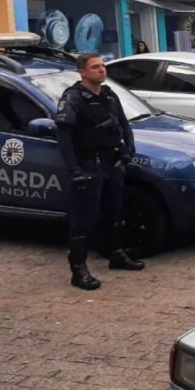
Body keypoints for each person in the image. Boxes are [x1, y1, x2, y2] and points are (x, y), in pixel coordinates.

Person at [54, 53, 144, 291]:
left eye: (103, 66)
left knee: (113, 213)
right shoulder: (73, 98)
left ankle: (116, 255)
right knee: (83, 219)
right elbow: (63, 137)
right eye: (95, 67)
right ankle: (79, 270)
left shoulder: (109, 95)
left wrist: (127, 152)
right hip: (88, 164)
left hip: (112, 163)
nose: (102, 70)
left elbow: (124, 124)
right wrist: (74, 170)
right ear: (82, 72)